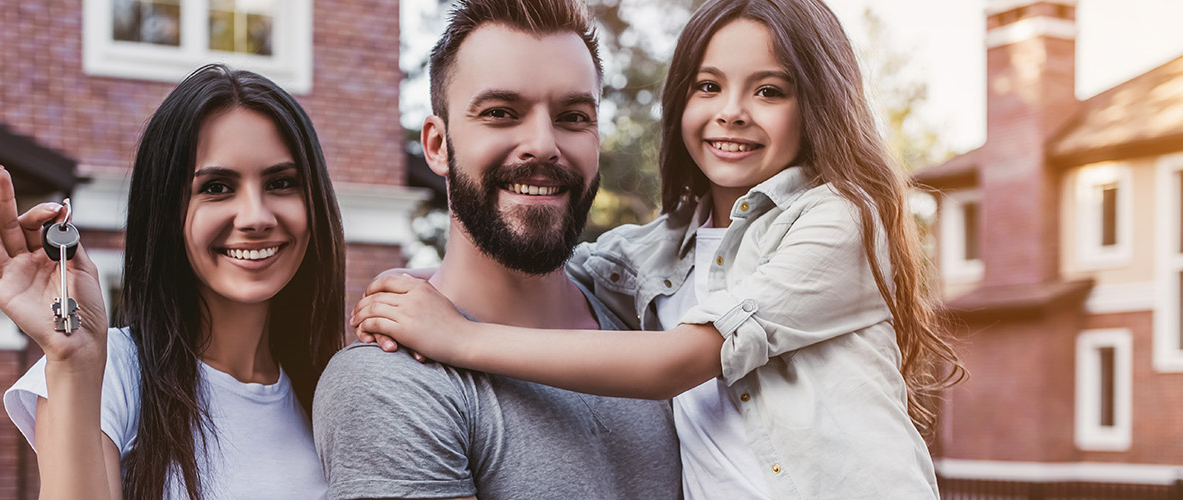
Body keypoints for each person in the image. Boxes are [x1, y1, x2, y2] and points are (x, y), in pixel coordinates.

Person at [351, 0, 966, 498]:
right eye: (708, 86)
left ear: (818, 108)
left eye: (770, 91)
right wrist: (414, 289)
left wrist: (456, 335)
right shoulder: (665, 251)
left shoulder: (836, 221)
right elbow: (545, 264)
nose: (732, 112)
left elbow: (678, 361)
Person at [309, 1, 682, 499]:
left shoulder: (643, 308)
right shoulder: (389, 381)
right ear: (438, 146)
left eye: (573, 116)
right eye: (501, 113)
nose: (543, 144)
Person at [0, 64, 345, 500]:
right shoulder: (109, 374)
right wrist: (74, 363)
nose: (256, 217)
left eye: (281, 182)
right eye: (217, 187)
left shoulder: (333, 393)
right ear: (166, 211)